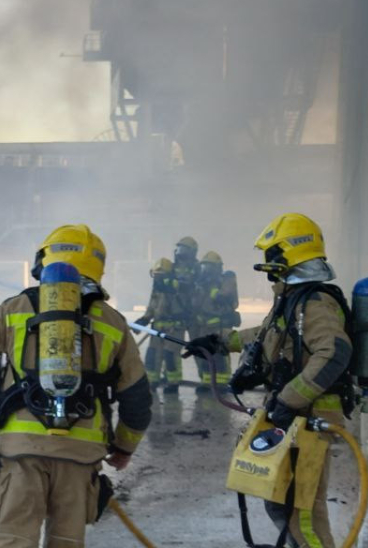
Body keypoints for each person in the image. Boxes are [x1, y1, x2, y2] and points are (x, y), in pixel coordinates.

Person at [0, 224, 152, 547]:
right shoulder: (113, 322)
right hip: (81, 456)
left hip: (21, 451)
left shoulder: (16, 308)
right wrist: (123, 449)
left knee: (12, 541)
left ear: (43, 261)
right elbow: (137, 399)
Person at [185, 213, 353, 548]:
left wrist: (289, 399)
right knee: (281, 503)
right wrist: (218, 341)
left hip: (310, 418)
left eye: (273, 254)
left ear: (289, 253)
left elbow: (335, 352)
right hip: (297, 417)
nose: (268, 263)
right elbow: (266, 336)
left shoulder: (314, 302)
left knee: (301, 513)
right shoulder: (294, 299)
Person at [188, 250, 239, 391]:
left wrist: (212, 289)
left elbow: (225, 296)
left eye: (209, 267)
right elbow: (195, 303)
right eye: (204, 266)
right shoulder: (201, 283)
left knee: (219, 355)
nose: (206, 270)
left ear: (217, 267)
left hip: (219, 325)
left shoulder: (225, 280)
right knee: (204, 354)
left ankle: (222, 383)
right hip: (203, 326)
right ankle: (207, 382)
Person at [138, 257, 188, 393]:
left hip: (174, 327)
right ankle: (152, 381)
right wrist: (144, 319)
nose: (157, 278)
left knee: (170, 355)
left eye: (160, 276)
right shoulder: (157, 288)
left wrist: (169, 287)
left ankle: (173, 383)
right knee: (152, 355)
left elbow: (179, 292)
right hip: (158, 327)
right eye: (156, 275)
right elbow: (152, 306)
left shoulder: (178, 286)